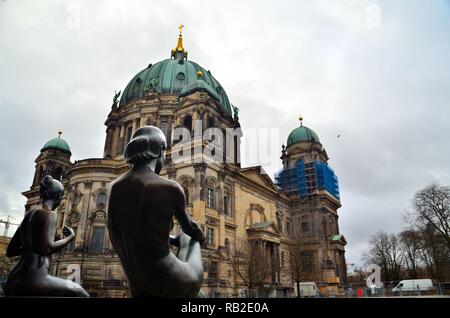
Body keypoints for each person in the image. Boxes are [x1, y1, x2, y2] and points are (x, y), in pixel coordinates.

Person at [107, 126, 205, 298]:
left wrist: (171, 239)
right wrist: (199, 236)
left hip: (139, 287)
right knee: (189, 237)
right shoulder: (169, 187)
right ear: (160, 150)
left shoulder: (113, 188)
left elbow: (139, 232)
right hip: (173, 282)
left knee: (200, 296)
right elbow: (191, 229)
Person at [4, 175, 89, 297]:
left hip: (14, 278)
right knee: (81, 293)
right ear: (59, 196)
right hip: (34, 279)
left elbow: (11, 251)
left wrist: (32, 247)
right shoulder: (49, 214)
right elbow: (48, 248)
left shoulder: (29, 215)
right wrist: (70, 237)